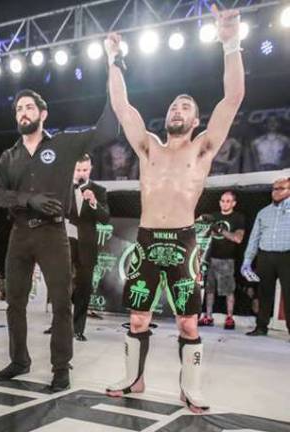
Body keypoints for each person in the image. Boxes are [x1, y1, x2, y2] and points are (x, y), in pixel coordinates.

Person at [104, 5, 245, 413]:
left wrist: (230, 41)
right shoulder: (148, 146)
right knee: (137, 320)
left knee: (187, 322)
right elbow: (121, 106)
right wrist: (114, 59)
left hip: (183, 241)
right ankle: (134, 378)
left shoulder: (202, 149)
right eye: (173, 106)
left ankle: (190, 388)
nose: (176, 110)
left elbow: (233, 97)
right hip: (148, 241)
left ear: (197, 119)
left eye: (185, 106)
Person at [0, 34, 120, 392]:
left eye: (29, 108)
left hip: (51, 233)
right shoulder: (9, 156)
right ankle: (20, 360)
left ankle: (61, 367)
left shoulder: (63, 145)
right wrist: (28, 201)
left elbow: (109, 128)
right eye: (18, 109)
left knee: (62, 302)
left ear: (43, 114)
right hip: (20, 233)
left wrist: (114, 65)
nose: (23, 113)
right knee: (14, 302)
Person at [67, 154, 110, 341]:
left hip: (86, 245)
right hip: (64, 241)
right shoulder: (62, 187)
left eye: (85, 170)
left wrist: (93, 202)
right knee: (60, 284)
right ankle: (58, 325)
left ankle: (78, 328)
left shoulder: (99, 190)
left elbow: (105, 218)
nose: (81, 173)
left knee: (83, 286)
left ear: (90, 169)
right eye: (78, 170)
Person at [241, 177, 290, 336]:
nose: (275, 192)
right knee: (264, 293)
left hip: (286, 256)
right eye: (274, 189)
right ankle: (261, 327)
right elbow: (254, 237)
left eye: (280, 188)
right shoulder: (264, 212)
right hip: (265, 256)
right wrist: (247, 260)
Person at [199, 191, 245, 329]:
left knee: (228, 290)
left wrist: (220, 230)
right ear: (219, 202)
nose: (225, 203)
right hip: (210, 258)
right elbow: (200, 231)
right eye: (223, 200)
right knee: (209, 290)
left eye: (228, 201)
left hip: (227, 259)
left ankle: (230, 318)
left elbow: (238, 238)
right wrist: (200, 221)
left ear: (234, 203)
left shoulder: (238, 217)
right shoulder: (213, 216)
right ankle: (208, 316)